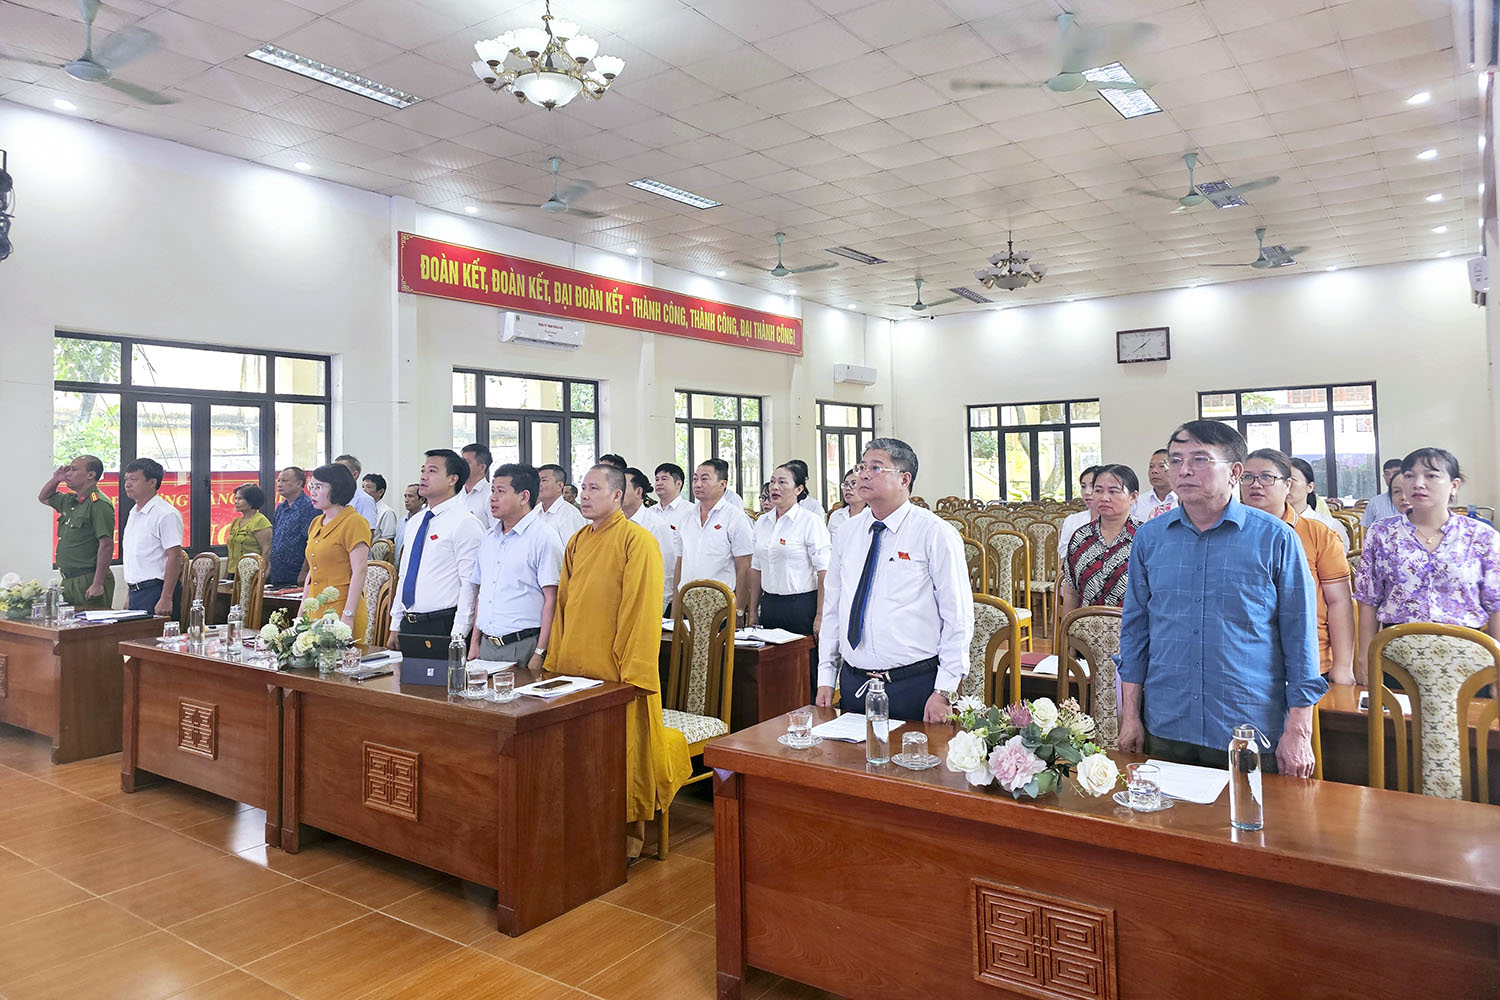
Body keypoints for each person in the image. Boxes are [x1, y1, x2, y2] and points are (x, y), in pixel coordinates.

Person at [1118, 421, 1323, 777]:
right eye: (1175, 460)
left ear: (1235, 472)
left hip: (1247, 725)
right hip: (1167, 720)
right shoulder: (1150, 538)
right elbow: (1135, 632)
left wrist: (1299, 730)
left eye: (1199, 459)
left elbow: (1300, 639)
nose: (1184, 470)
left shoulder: (1275, 539)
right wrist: (1131, 716)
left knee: (1249, 813)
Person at [543, 464, 691, 859]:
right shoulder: (577, 541)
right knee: (577, 754)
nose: (585, 495)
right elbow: (563, 606)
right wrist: (555, 661)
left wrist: (631, 673)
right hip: (573, 667)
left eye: (595, 488)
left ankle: (624, 839)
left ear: (617, 495)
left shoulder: (637, 541)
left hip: (616, 669)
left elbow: (641, 610)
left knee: (621, 753)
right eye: (583, 488)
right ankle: (579, 827)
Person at [815, 438, 973, 723]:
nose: (863, 475)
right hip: (855, 681)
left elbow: (957, 616)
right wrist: (826, 675)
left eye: (876, 468)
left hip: (915, 684)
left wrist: (944, 690)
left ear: (904, 479)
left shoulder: (934, 533)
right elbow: (834, 608)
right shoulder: (847, 533)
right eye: (861, 467)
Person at [1353, 448, 1500, 682]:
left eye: (1431, 475)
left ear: (1454, 485)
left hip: (1468, 659)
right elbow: (1368, 600)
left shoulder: (1481, 536)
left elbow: (1496, 604)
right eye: (1409, 475)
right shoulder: (1382, 533)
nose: (1418, 483)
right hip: (1397, 657)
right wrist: (1364, 659)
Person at [1241, 449, 1355, 684]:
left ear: (1287, 484)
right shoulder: (1229, 533)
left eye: (1266, 477)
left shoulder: (1318, 533)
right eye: (1248, 477)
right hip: (1243, 661)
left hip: (1309, 659)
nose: (1255, 484)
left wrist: (1343, 666)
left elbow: (1339, 602)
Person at [387, 449, 485, 647]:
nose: (423, 476)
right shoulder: (416, 521)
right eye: (423, 470)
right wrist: (395, 624)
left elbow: (470, 584)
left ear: (452, 479)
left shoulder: (464, 522)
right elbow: (405, 574)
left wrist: (459, 634)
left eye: (432, 471)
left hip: (443, 624)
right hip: (409, 622)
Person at [467, 462, 559, 672]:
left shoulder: (543, 537)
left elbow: (552, 599)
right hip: (487, 646)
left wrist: (540, 652)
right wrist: (475, 642)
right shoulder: (488, 538)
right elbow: (482, 593)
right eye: (492, 491)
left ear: (524, 497)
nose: (492, 498)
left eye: (501, 491)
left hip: (523, 645)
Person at [749, 463, 831, 691]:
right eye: (772, 482)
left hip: (801, 607)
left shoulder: (810, 521)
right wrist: (753, 610)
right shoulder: (762, 522)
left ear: (798, 489)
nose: (774, 487)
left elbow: (824, 571)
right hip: (771, 605)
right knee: (773, 672)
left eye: (782, 482)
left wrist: (820, 615)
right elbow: (756, 568)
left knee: (804, 671)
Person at [675, 459, 754, 619]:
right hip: (688, 603)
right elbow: (680, 563)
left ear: (722, 484)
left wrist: (739, 612)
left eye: (704, 479)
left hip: (721, 604)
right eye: (695, 479)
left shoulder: (735, 517)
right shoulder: (686, 517)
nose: (698, 484)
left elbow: (744, 567)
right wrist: (675, 610)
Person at [303, 463, 371, 639]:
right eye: (311, 486)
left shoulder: (354, 522)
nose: (313, 492)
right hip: (315, 607)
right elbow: (312, 572)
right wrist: (302, 612)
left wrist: (348, 615)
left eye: (319, 487)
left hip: (341, 608)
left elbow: (360, 571)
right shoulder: (316, 522)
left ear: (337, 488)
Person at [38, 455, 115, 609]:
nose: (68, 473)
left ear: (90, 475)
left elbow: (106, 545)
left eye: (73, 469)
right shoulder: (70, 501)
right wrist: (56, 479)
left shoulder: (98, 503)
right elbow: (44, 497)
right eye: (68, 469)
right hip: (68, 580)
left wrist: (97, 583)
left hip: (89, 578)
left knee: (91, 623)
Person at [1059, 464, 1137, 615]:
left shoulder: (1145, 538)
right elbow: (1071, 593)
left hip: (1131, 627)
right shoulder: (1080, 538)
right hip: (1084, 626)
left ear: (1133, 497)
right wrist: (1066, 627)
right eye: (1099, 491)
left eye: (1113, 491)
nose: (1104, 498)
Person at [121, 458, 184, 617]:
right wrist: (129, 596)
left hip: (157, 591)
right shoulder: (133, 512)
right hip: (136, 592)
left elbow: (175, 556)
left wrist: (166, 598)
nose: (128, 484)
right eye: (126, 479)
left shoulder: (165, 514)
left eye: (134, 480)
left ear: (152, 482)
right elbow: (135, 559)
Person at [622, 467, 677, 613]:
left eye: (623, 486)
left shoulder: (656, 525)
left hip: (648, 604)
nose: (617, 491)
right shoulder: (614, 523)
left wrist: (658, 607)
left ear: (638, 492)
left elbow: (667, 571)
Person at [1286, 457, 1349, 550]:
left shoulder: (1329, 526)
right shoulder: (1270, 524)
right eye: (1282, 480)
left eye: (1292, 481)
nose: (1286, 485)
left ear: (1310, 487)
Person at [268, 467, 316, 587]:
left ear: (299, 483)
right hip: (277, 573)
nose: (279, 484)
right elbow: (275, 540)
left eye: (284, 481)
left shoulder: (309, 507)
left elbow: (312, 541)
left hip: (296, 574)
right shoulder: (281, 507)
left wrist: (305, 571)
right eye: (278, 481)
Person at [1057, 465, 1101, 562]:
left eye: (1093, 486)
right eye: (1083, 486)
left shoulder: (1117, 522)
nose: (1087, 492)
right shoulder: (1072, 521)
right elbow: (1064, 561)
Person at [535, 464, 587, 545]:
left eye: (544, 480)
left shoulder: (570, 515)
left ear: (559, 486)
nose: (539, 485)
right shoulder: (535, 511)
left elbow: (574, 549)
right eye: (537, 481)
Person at [226, 484, 273, 566]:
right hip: (233, 570)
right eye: (236, 498)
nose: (236, 502)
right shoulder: (236, 522)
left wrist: (262, 571)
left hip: (252, 570)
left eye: (240, 499)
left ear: (251, 501)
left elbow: (266, 551)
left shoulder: (260, 521)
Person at [334, 454, 380, 532]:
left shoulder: (364, 500)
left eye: (341, 471)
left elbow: (368, 532)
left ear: (355, 474)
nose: (336, 474)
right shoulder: (333, 497)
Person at [1129, 449, 1176, 523]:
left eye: (1162, 466)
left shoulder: (1184, 502)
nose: (1154, 471)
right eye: (1151, 466)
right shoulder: (1138, 502)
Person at [1361, 459, 1406, 527]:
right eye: (1387, 474)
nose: (1391, 477)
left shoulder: (1415, 500)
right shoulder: (1375, 502)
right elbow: (1366, 529)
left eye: (1396, 472)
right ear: (1384, 477)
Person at [460, 443, 495, 531]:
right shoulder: (456, 492)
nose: (460, 466)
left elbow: (496, 531)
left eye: (466, 462)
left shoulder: (491, 495)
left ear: (482, 467)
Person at [825, 466, 867, 540]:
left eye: (854, 483)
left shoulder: (873, 515)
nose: (847, 488)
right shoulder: (836, 516)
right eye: (845, 484)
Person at [360, 474, 399, 542]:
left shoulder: (387, 512)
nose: (363, 491)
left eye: (368, 487)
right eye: (363, 487)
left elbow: (388, 542)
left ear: (380, 492)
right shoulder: (359, 509)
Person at [394, 482, 424, 568]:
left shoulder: (424, 521)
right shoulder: (401, 521)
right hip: (398, 567)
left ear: (421, 500)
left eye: (410, 496)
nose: (406, 500)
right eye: (405, 496)